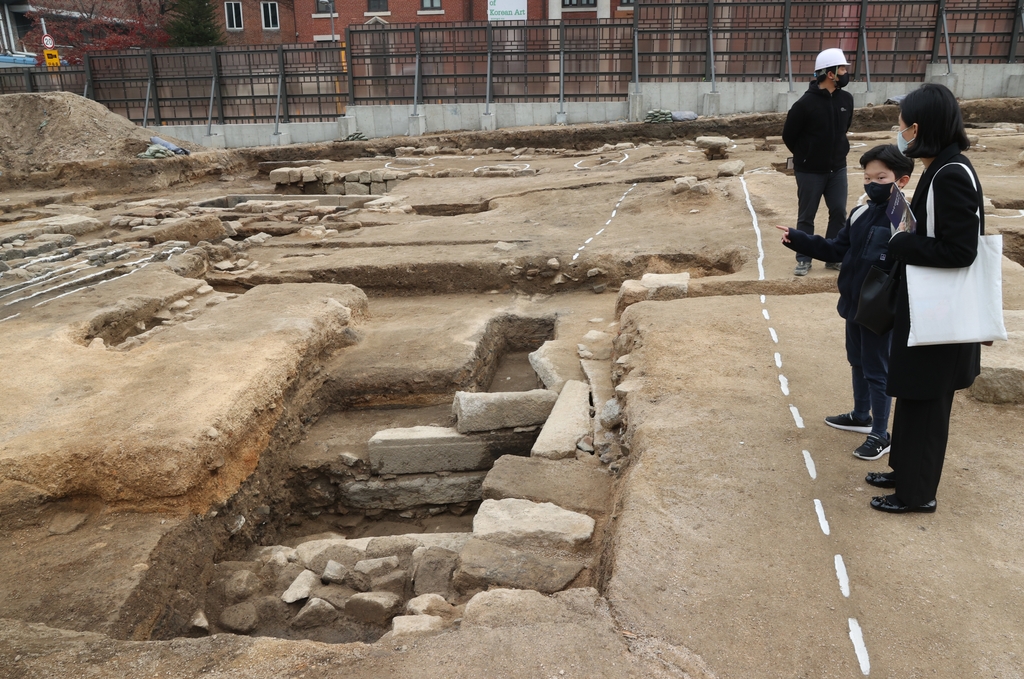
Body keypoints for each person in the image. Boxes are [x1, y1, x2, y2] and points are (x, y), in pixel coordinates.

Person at [865, 83, 983, 514]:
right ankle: (903, 470)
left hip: (942, 312)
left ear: (917, 128)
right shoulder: (940, 165)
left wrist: (902, 244)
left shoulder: (952, 173)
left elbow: (960, 251)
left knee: (929, 405)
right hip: (927, 305)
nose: (899, 135)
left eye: (901, 127)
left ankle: (917, 494)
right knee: (913, 393)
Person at [776, 145, 914, 461]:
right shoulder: (860, 212)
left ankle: (881, 433)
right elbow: (838, 249)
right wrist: (799, 239)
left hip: (881, 308)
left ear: (901, 181)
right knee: (857, 359)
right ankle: (860, 414)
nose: (871, 183)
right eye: (867, 177)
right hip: (853, 303)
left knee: (877, 369)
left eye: (881, 177)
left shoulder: (904, 220)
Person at [782, 48, 854, 277]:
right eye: (841, 68)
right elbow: (789, 136)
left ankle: (833, 256)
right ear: (830, 73)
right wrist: (806, 156)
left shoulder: (846, 99)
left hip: (837, 168)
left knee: (838, 212)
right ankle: (803, 258)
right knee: (807, 216)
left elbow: (844, 128)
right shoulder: (804, 104)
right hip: (810, 171)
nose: (845, 72)